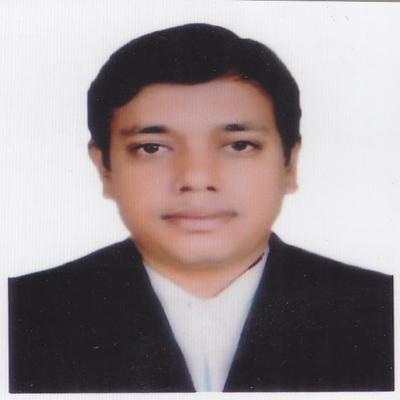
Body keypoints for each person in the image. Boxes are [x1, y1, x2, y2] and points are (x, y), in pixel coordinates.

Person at [8, 23, 393, 393]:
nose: (195, 178)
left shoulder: (382, 310)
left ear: (289, 164)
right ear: (104, 168)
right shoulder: (21, 315)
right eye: (152, 148)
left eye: (239, 145)